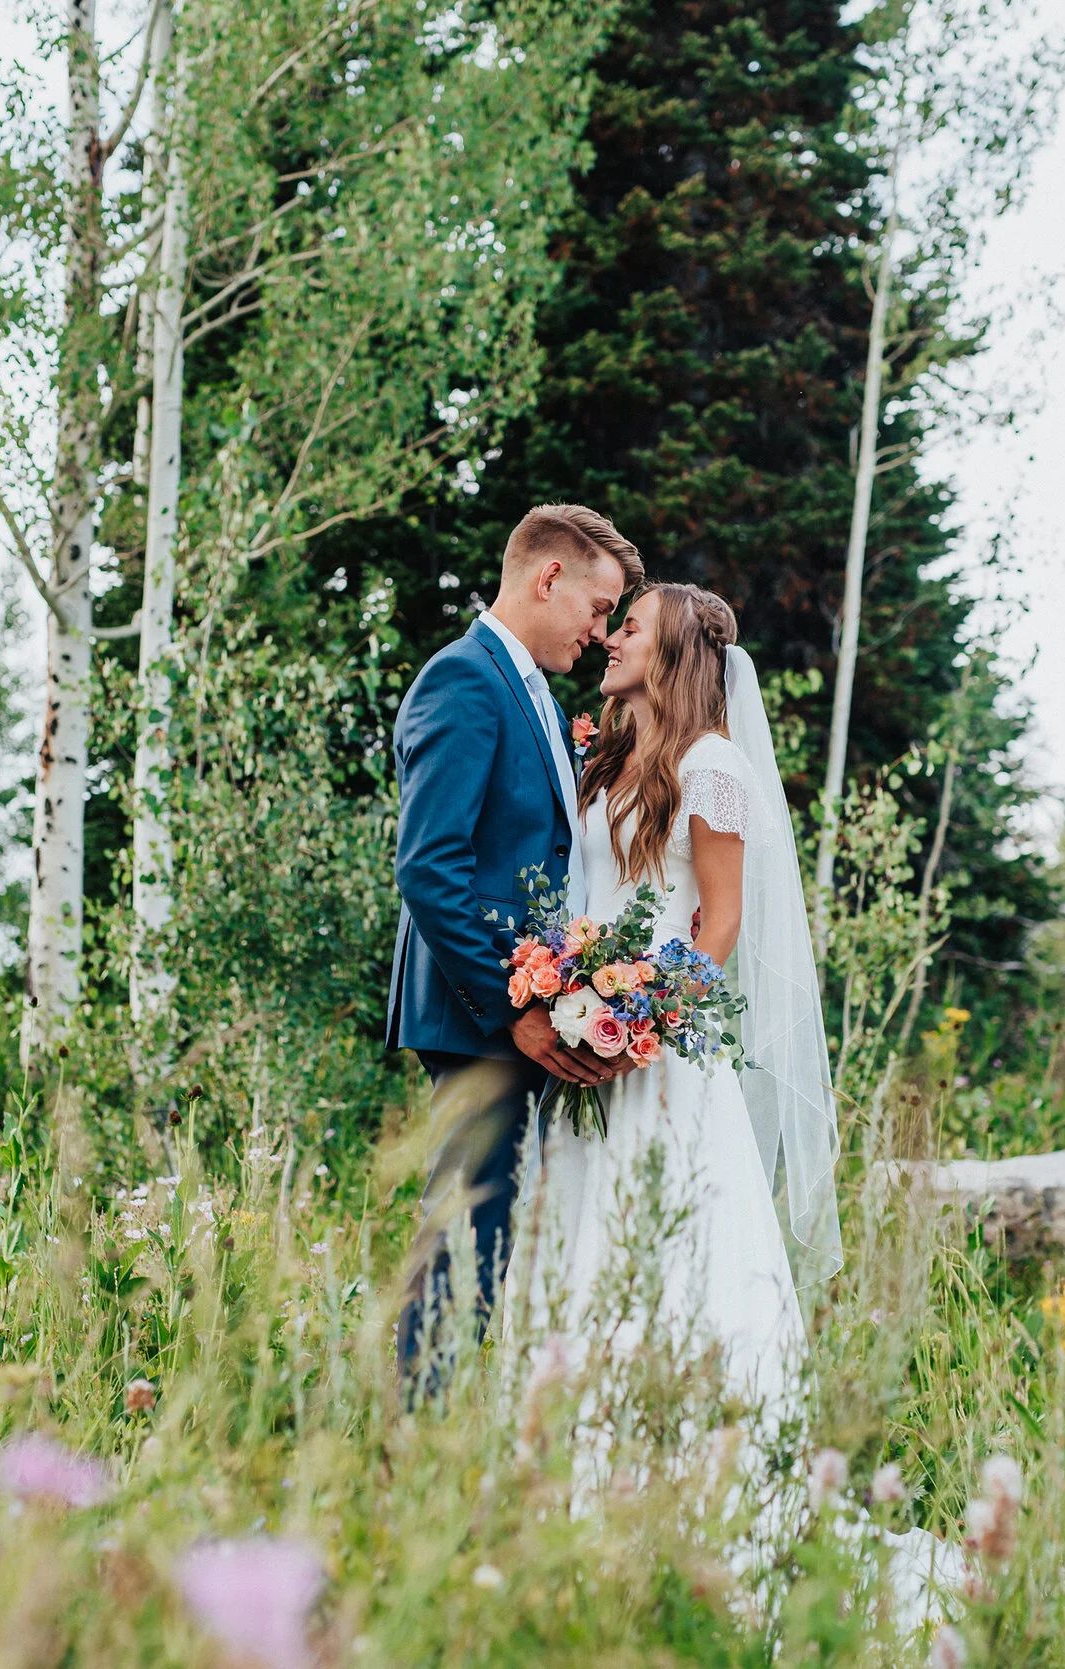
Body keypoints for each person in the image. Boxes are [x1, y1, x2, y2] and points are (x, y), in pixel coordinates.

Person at [524, 583, 844, 1428]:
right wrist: (575, 1004)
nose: (611, 638)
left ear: (671, 652)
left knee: (672, 1248)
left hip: (661, 1056)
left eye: (630, 627)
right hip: (585, 1036)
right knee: (584, 1244)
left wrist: (642, 1022)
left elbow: (722, 922)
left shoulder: (713, 766)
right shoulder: (606, 760)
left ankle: (692, 1444)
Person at [387, 503, 646, 1396]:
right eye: (600, 607)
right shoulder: (464, 680)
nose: (601, 631)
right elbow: (430, 869)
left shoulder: (529, 689)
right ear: (548, 577)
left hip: (521, 1008)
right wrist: (516, 1008)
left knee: (492, 1226)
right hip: (478, 1014)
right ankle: (415, 1429)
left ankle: (446, 1417)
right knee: (466, 1228)